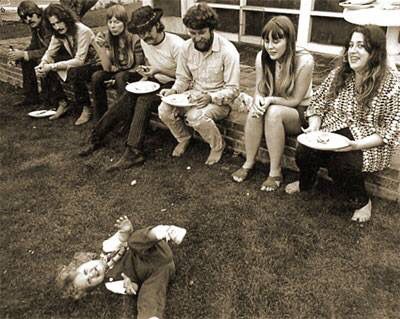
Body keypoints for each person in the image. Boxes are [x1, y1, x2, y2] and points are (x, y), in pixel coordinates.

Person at [285, 25, 400, 222]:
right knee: (305, 150)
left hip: (368, 140)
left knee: (341, 163)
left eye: (361, 46)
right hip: (333, 129)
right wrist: (314, 126)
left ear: (375, 52)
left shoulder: (392, 83)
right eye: (350, 45)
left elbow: (390, 130)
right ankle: (306, 182)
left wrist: (356, 145)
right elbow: (317, 104)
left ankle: (362, 201)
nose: (353, 51)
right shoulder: (340, 74)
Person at [79, 6, 184, 172]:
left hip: (177, 86)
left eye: (147, 31)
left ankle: (134, 151)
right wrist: (144, 78)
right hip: (157, 81)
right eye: (140, 33)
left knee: (145, 99)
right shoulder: (145, 41)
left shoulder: (177, 45)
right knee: (130, 94)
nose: (144, 36)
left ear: (158, 25)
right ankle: (96, 136)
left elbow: (187, 76)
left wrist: (159, 71)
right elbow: (152, 66)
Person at [231, 16, 314, 191]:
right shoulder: (262, 56)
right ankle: (249, 162)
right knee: (256, 110)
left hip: (298, 112)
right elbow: (260, 89)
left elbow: (295, 100)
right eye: (267, 41)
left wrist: (270, 100)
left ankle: (275, 171)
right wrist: (260, 100)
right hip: (274, 104)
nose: (270, 46)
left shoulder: (305, 61)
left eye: (276, 41)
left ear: (289, 40)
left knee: (273, 112)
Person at [56, 216, 186, 319]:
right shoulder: (111, 283)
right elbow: (134, 287)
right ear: (94, 287)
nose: (91, 274)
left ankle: (167, 231)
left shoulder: (107, 248)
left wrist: (126, 230)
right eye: (90, 281)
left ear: (84, 262)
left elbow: (123, 237)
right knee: (147, 295)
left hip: (154, 252)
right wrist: (130, 287)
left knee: (133, 241)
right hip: (159, 273)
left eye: (85, 271)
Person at [158, 2, 240, 166]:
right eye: (192, 33)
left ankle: (217, 146)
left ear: (211, 29)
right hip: (193, 95)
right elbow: (183, 78)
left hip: (219, 101)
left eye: (201, 32)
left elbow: (234, 89)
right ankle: (184, 138)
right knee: (164, 109)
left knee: (195, 116)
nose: (197, 38)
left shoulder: (228, 51)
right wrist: (173, 91)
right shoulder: (186, 47)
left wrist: (210, 97)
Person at [35, 3, 99, 125]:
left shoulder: (82, 31)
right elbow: (50, 52)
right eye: (53, 24)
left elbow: (79, 60)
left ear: (66, 18)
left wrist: (52, 66)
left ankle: (86, 108)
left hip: (95, 63)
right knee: (46, 66)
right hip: (81, 63)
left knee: (74, 71)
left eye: (59, 22)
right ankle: (62, 102)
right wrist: (43, 65)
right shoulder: (58, 33)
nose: (57, 27)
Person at [90, 4, 143, 121]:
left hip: (135, 73)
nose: (113, 26)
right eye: (110, 22)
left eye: (117, 22)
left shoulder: (135, 39)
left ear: (125, 23)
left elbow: (139, 67)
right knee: (97, 76)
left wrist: (116, 76)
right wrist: (101, 48)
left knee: (120, 77)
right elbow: (107, 68)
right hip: (119, 72)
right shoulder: (108, 37)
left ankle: (124, 119)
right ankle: (101, 119)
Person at [8, 1, 65, 108]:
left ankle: (51, 101)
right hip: (51, 54)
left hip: (62, 53)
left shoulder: (47, 23)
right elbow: (34, 45)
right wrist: (18, 56)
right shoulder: (36, 25)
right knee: (27, 60)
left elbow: (50, 49)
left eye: (30, 15)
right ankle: (31, 97)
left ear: (37, 12)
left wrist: (25, 54)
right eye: (25, 17)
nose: (28, 19)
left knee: (41, 62)